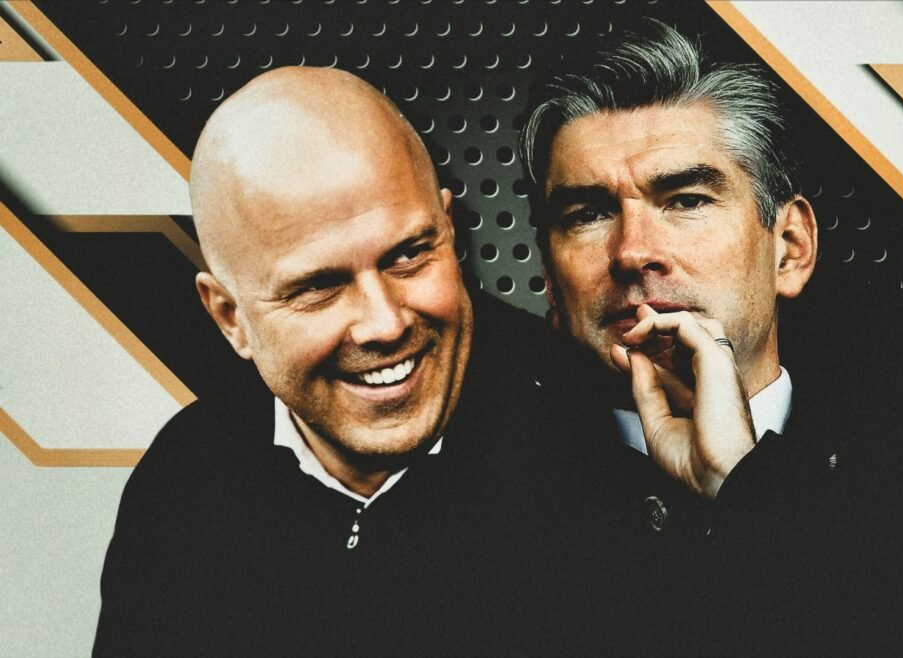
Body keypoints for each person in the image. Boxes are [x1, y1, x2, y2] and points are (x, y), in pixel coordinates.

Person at [519, 18, 903, 656]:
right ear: (551, 279)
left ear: (789, 248)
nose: (632, 251)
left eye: (687, 199)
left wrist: (749, 485)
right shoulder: (495, 495)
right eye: (586, 214)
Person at [94, 66, 586, 656]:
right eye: (319, 287)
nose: (386, 323)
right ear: (231, 319)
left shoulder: (594, 443)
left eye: (408, 255)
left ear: (451, 232)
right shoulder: (183, 488)